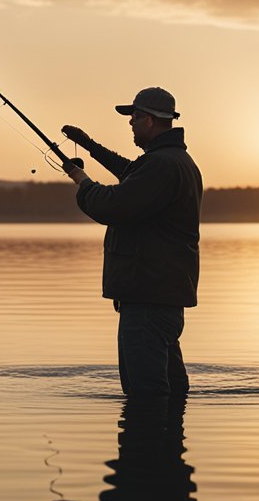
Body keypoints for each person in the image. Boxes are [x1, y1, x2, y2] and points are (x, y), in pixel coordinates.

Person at [61, 87, 203, 398]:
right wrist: (89, 146)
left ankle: (147, 445)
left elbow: (111, 205)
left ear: (151, 120)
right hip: (162, 298)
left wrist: (80, 179)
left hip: (147, 301)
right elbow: (131, 173)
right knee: (172, 392)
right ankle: (166, 444)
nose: (131, 123)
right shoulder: (173, 160)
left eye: (135, 117)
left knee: (146, 395)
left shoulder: (162, 165)